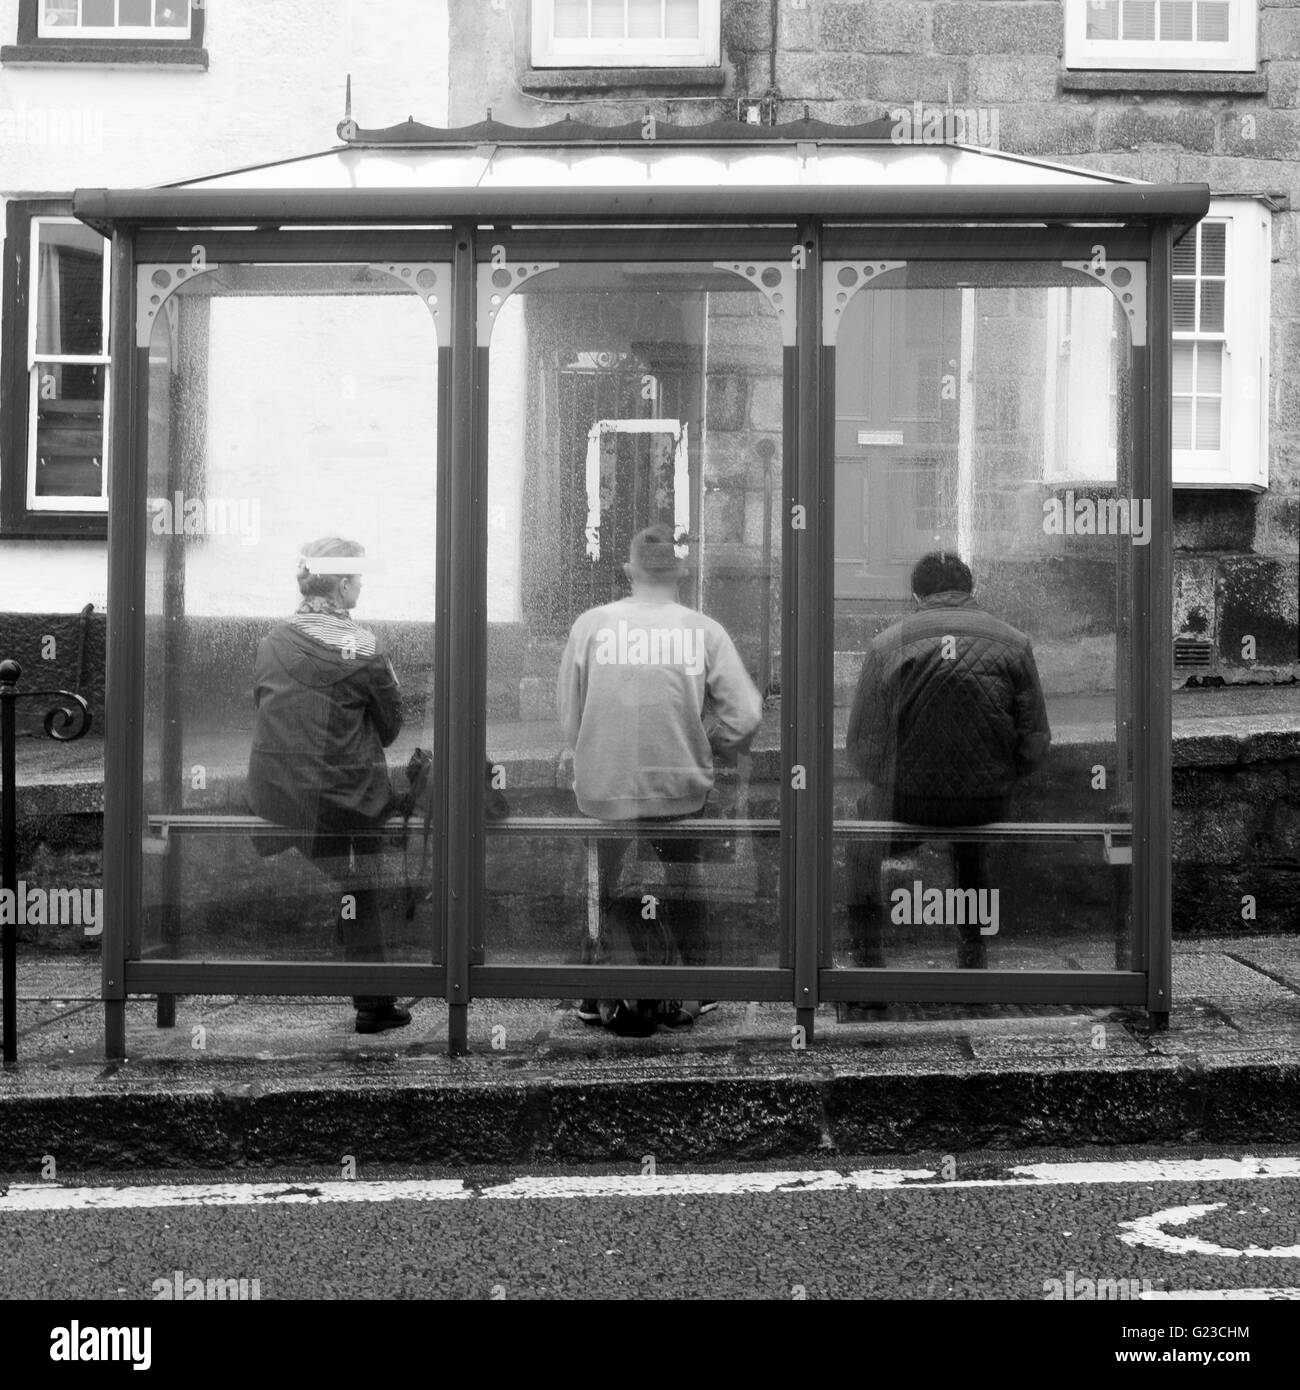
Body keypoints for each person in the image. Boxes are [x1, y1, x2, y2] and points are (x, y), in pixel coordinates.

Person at [558, 523, 763, 1036]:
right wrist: (703, 739)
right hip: (678, 786)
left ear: (628, 572)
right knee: (684, 886)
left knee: (600, 888)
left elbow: (569, 716)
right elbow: (747, 716)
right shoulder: (703, 631)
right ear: (682, 575)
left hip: (603, 787)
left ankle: (595, 992)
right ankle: (692, 988)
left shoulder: (591, 625)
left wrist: (595, 745)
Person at [845, 551, 1051, 978]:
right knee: (969, 845)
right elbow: (1035, 741)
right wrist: (1000, 778)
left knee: (861, 844)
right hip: (986, 804)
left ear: (917, 594)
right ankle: (974, 953)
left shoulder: (887, 645)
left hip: (910, 802)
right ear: (970, 589)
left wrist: (895, 782)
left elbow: (863, 743)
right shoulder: (1013, 642)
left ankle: (867, 960)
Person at [246, 538, 410, 1034]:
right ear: (341, 584)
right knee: (363, 876)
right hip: (348, 801)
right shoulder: (364, 647)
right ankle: (373, 1000)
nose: (362, 583)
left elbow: (263, 705)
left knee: (353, 879)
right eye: (358, 576)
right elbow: (390, 726)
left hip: (282, 797)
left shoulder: (272, 641)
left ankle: (369, 984)